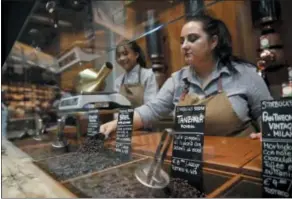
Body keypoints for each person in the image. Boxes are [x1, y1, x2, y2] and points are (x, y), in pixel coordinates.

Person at [100, 15, 273, 138]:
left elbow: (267, 114)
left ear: (213, 42)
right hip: (191, 162)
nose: (184, 46)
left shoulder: (244, 73)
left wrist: (266, 134)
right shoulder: (178, 80)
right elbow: (151, 110)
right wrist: (119, 123)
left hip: (240, 163)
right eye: (182, 40)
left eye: (192, 39)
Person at [114, 39, 158, 108]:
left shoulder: (148, 75)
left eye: (125, 54)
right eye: (119, 56)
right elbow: (116, 108)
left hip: (143, 118)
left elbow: (151, 106)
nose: (121, 58)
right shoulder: (118, 81)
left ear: (136, 55)